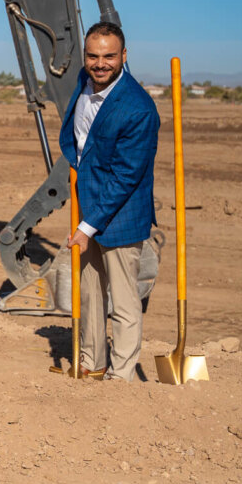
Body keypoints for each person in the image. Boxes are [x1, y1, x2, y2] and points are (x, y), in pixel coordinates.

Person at [58, 21, 158, 381]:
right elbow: (79, 141)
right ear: (85, 56)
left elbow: (125, 177)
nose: (101, 63)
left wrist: (86, 226)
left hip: (122, 215)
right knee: (90, 293)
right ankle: (92, 361)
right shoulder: (84, 86)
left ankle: (121, 376)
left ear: (124, 57)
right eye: (94, 56)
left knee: (125, 302)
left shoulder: (137, 108)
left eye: (109, 56)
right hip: (89, 207)